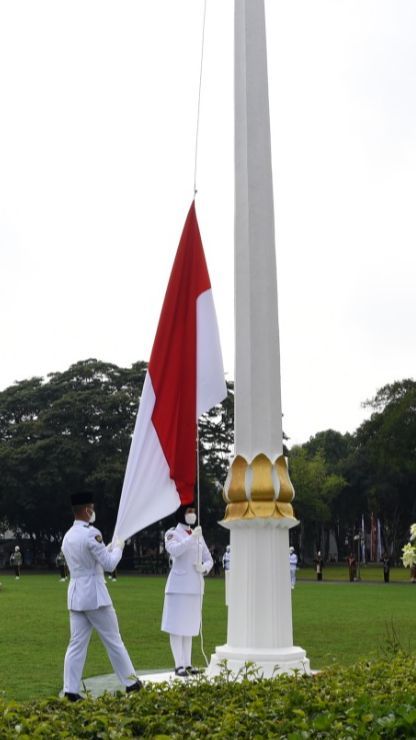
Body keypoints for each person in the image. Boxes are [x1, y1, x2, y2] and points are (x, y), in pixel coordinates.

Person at [61, 491, 142, 701]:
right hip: (94, 595)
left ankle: (70, 689)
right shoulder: (91, 533)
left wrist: (111, 546)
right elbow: (109, 564)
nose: (93, 511)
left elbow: (93, 557)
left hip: (76, 594)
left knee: (76, 644)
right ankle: (131, 682)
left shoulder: (69, 535)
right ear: (87, 510)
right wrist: (120, 548)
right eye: (93, 508)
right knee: (114, 640)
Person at [161, 502, 213, 677]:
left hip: (195, 586)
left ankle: (188, 664)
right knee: (177, 626)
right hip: (178, 586)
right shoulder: (171, 533)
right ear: (182, 513)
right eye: (189, 511)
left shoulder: (197, 533)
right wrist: (191, 538)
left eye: (194, 511)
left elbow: (209, 558)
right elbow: (174, 551)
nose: (192, 514)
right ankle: (178, 665)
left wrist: (203, 567)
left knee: (190, 626)